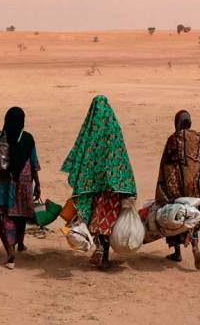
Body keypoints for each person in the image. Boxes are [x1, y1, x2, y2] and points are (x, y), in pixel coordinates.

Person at [61, 95, 137, 270]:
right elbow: (122, 157)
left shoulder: (90, 132)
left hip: (95, 187)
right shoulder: (114, 129)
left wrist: (85, 180)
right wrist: (125, 184)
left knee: (97, 219)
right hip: (114, 188)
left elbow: (81, 154)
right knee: (110, 220)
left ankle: (100, 249)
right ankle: (105, 254)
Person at [155, 110, 200, 270]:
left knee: (175, 216)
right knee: (193, 216)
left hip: (174, 188)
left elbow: (164, 167)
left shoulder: (171, 140)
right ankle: (195, 246)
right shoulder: (197, 138)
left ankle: (177, 252)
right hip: (192, 187)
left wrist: (163, 190)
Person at [0, 107, 41, 269]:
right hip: (23, 183)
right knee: (21, 215)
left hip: (4, 183)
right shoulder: (28, 139)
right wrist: (38, 185)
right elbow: (34, 163)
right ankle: (20, 243)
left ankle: (10, 252)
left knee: (5, 216)